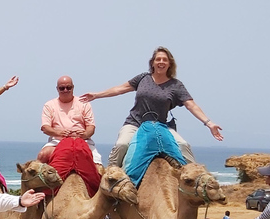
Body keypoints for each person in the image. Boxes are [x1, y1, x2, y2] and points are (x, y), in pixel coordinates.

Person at [81, 46, 223, 167]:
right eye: (158, 59)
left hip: (160, 126)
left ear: (169, 64)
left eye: (164, 60)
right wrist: (97, 95)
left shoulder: (176, 85)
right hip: (135, 124)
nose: (161, 62)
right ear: (153, 63)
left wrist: (209, 123)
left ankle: (195, 180)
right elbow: (120, 89)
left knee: (183, 146)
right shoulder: (143, 78)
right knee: (122, 145)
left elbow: (191, 105)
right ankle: (111, 179)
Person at [38, 75, 101, 165]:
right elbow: (45, 127)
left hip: (82, 141)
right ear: (57, 89)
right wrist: (59, 133)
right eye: (62, 88)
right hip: (57, 142)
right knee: (42, 156)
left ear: (73, 87)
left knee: (97, 165)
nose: (65, 90)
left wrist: (85, 134)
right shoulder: (49, 105)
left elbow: (91, 127)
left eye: (68, 87)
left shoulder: (84, 103)